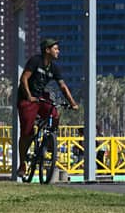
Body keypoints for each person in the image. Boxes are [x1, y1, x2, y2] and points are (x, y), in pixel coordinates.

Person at [15, 37, 79, 180]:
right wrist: (29, 96)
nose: (58, 51)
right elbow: (23, 79)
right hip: (27, 98)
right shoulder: (35, 61)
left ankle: (50, 140)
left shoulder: (54, 68)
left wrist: (73, 103)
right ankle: (23, 163)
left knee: (54, 113)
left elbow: (63, 86)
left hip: (41, 97)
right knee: (27, 132)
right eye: (55, 49)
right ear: (47, 50)